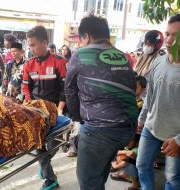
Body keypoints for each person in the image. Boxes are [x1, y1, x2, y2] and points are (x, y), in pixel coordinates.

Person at [64, 14, 138, 190]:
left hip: (100, 130)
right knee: (99, 173)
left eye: (81, 40)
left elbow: (69, 89)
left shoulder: (81, 54)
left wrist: (77, 118)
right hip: (127, 129)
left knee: (88, 182)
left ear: (87, 36)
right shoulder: (123, 56)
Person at [136, 14, 180, 190]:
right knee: (141, 165)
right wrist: (141, 119)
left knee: (173, 178)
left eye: (175, 35)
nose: (168, 40)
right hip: (151, 128)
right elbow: (150, 96)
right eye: (167, 34)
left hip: (174, 136)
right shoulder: (158, 62)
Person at [22, 25, 67, 190]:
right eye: (29, 45)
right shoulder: (29, 64)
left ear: (45, 42)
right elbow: (26, 87)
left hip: (56, 111)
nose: (31, 48)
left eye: (33, 45)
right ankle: (50, 179)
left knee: (54, 144)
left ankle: (44, 166)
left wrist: (60, 108)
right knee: (40, 145)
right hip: (36, 111)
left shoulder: (59, 62)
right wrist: (29, 103)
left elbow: (65, 88)